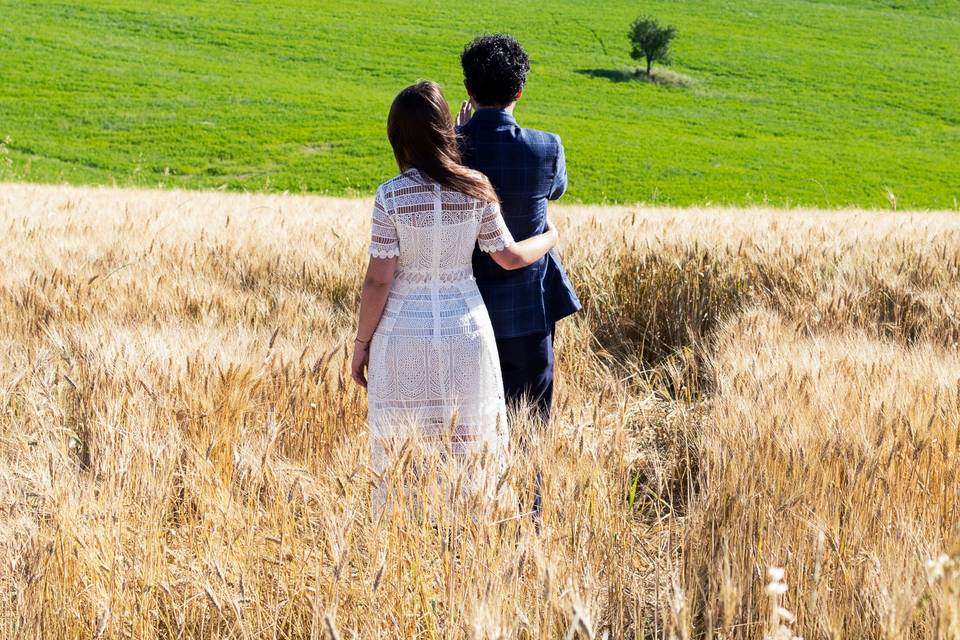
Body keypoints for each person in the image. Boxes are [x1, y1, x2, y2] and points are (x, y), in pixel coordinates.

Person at [350, 81, 559, 514]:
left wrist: (360, 344)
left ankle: (410, 534)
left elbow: (378, 281)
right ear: (446, 129)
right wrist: (550, 235)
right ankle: (467, 531)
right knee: (468, 443)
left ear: (397, 136)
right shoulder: (475, 187)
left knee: (404, 446)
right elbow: (510, 256)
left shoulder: (390, 195)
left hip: (403, 333)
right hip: (466, 329)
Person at [456, 34, 581, 519]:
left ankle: (472, 512)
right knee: (531, 420)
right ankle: (529, 515)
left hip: (464, 313)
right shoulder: (545, 148)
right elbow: (558, 190)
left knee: (467, 424)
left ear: (468, 87)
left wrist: (455, 132)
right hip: (529, 311)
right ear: (520, 92)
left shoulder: (449, 152)